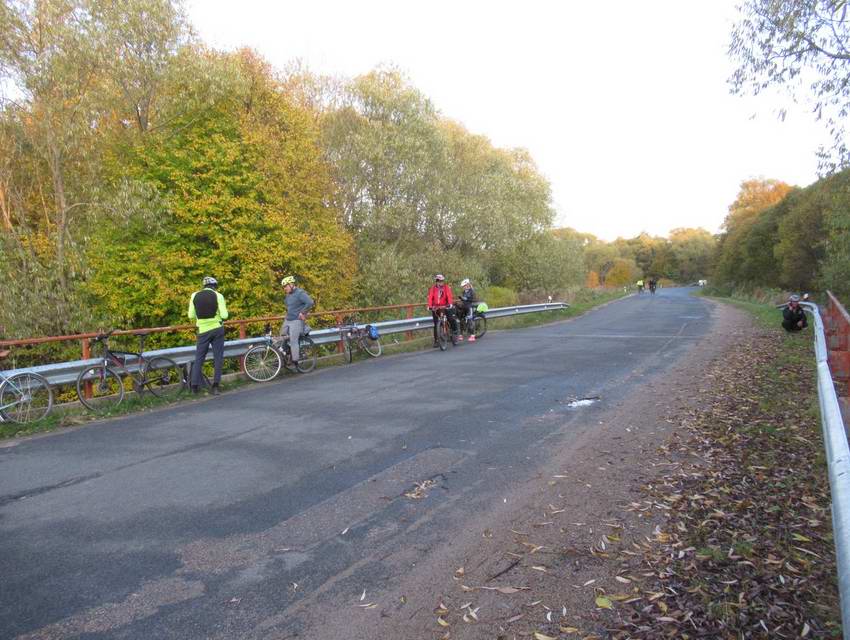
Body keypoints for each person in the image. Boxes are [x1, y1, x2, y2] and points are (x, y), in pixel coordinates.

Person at [188, 276, 229, 395]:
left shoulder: (194, 295)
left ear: (204, 286)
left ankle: (194, 387)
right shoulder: (218, 295)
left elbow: (191, 315)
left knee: (199, 358)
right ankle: (215, 386)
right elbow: (225, 315)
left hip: (203, 330)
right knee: (218, 358)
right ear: (214, 286)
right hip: (217, 329)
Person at [280, 275, 314, 365]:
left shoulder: (300, 293)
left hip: (296, 320)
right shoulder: (288, 296)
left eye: (286, 286)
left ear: (291, 284)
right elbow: (289, 306)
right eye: (283, 287)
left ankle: (295, 360)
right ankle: (288, 353)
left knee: (293, 340)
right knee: (282, 336)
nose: (284, 288)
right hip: (288, 319)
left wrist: (303, 312)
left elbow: (310, 302)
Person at [427, 274, 459, 346]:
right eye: (438, 281)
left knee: (450, 318)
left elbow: (449, 296)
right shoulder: (433, 288)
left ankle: (454, 331)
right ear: (436, 281)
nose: (440, 282)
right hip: (436, 307)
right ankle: (436, 341)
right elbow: (430, 298)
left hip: (445, 306)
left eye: (441, 281)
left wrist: (450, 303)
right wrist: (429, 306)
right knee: (436, 323)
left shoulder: (446, 287)